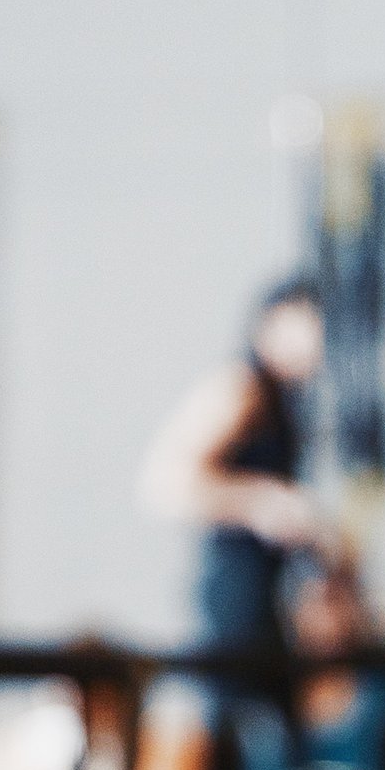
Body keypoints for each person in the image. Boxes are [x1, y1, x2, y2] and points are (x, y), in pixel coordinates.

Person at [139, 275, 346, 656]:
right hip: (232, 599)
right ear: (272, 321)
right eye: (305, 322)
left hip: (264, 596)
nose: (315, 341)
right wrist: (261, 503)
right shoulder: (240, 390)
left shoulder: (283, 401)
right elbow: (164, 483)